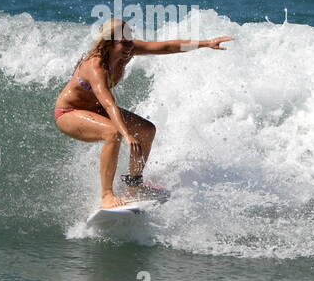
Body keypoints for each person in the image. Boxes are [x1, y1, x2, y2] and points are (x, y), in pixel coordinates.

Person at [55, 19, 234, 209]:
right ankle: (106, 195)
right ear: (109, 43)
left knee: (147, 130)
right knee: (112, 133)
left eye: (130, 41)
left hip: (95, 109)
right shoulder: (95, 66)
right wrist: (126, 134)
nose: (129, 46)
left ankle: (134, 187)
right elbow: (109, 103)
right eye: (124, 42)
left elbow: (165, 47)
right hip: (69, 113)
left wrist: (206, 43)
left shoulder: (127, 50)